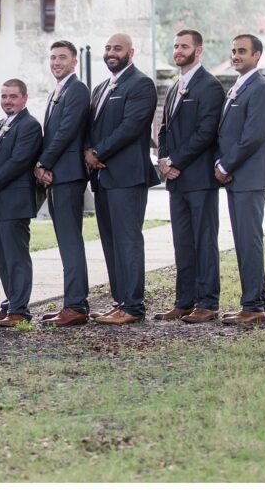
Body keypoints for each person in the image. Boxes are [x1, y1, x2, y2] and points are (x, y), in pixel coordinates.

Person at [85, 33, 160, 325]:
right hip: (103, 177)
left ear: (131, 51)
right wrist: (86, 151)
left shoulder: (141, 84)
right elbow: (90, 126)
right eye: (107, 48)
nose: (111, 53)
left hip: (127, 176)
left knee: (128, 241)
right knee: (110, 242)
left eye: (117, 48)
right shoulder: (101, 87)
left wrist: (98, 151)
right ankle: (120, 302)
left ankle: (134, 306)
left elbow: (131, 127)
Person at [153, 30, 225, 324]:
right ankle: (183, 301)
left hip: (199, 178)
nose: (179, 50)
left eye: (185, 46)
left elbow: (206, 132)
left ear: (199, 50)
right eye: (176, 46)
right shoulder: (173, 87)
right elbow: (164, 128)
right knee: (181, 241)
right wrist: (163, 161)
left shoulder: (210, 86)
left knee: (204, 240)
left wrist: (177, 160)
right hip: (176, 179)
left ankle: (207, 302)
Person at [216, 34, 265, 325]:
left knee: (248, 240)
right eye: (233, 51)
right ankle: (260, 303)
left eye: (242, 51)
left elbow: (254, 135)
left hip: (249, 176)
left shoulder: (261, 88)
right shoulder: (239, 87)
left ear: (257, 55)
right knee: (244, 240)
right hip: (237, 176)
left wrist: (226, 164)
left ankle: (252, 306)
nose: (236, 56)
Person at [33, 40, 92, 328]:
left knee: (71, 242)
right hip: (58, 174)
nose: (56, 62)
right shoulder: (58, 91)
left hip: (68, 175)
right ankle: (72, 301)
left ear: (73, 62)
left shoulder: (77, 90)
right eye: (53, 57)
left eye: (62, 58)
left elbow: (67, 131)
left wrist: (43, 163)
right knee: (65, 242)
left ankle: (77, 305)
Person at [0, 79, 43, 327]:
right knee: (2, 256)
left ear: (24, 98)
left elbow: (18, 162)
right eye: (4, 96)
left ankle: (20, 310)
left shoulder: (29, 125)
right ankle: (9, 303)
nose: (8, 101)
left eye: (13, 96)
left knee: (16, 256)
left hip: (14, 201)